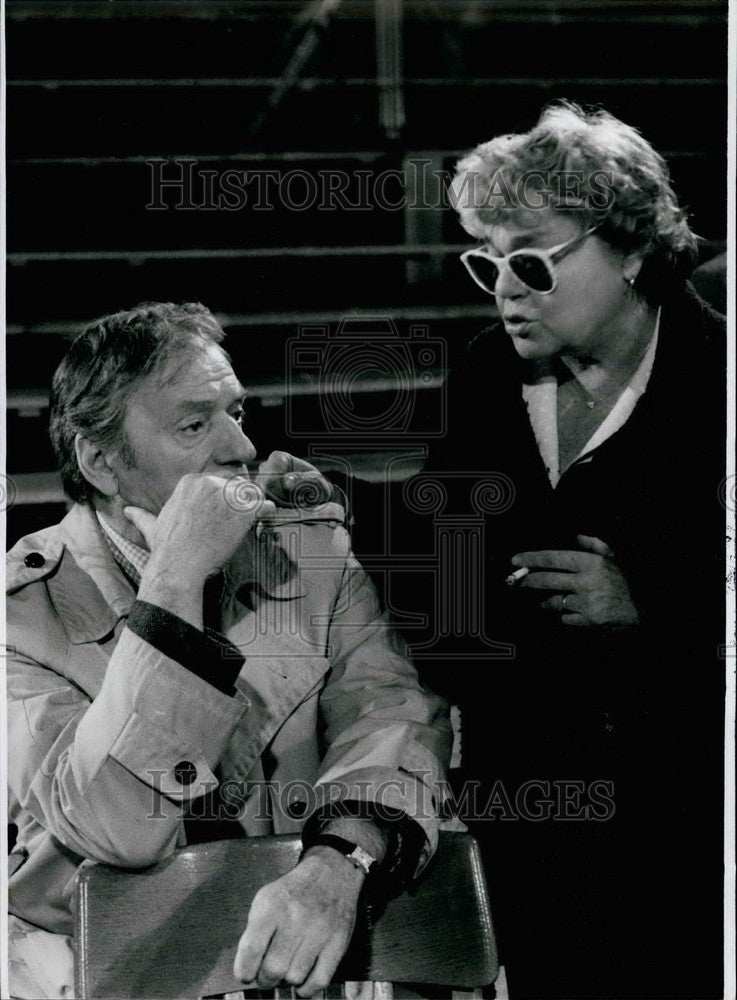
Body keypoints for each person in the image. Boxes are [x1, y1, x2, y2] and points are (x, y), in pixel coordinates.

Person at [344, 102, 725, 999]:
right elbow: (442, 584)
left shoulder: (725, 383)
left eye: (530, 261)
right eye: (487, 260)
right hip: (529, 816)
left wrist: (653, 610)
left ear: (630, 248)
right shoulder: (485, 372)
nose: (504, 290)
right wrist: (348, 517)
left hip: (688, 818)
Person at [5, 302, 452, 1000]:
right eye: (194, 423)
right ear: (100, 461)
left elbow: (388, 714)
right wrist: (174, 581)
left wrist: (342, 858)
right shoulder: (21, 613)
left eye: (235, 411)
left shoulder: (307, 553)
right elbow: (117, 826)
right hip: (101, 969)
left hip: (293, 957)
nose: (239, 447)